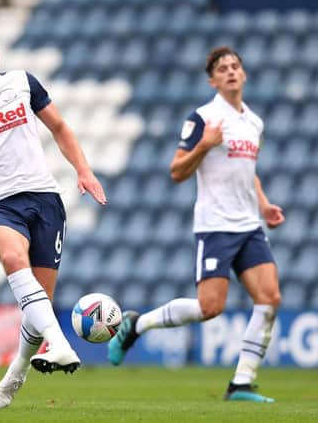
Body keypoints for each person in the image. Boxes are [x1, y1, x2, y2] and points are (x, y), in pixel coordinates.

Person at [0, 18, 107, 409]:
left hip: (46, 200)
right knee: (13, 259)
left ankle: (17, 370)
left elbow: (60, 127)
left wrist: (83, 169)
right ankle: (59, 344)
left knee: (37, 304)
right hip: (0, 205)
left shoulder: (24, 83)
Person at [108, 47, 285, 403]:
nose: (231, 72)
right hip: (216, 225)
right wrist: (204, 146)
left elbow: (248, 172)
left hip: (249, 225)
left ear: (244, 74)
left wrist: (264, 205)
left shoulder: (254, 122)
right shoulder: (203, 118)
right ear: (213, 80)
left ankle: (241, 383)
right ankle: (136, 324)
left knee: (270, 298)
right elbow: (176, 171)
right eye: (223, 69)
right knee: (210, 307)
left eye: (236, 66)